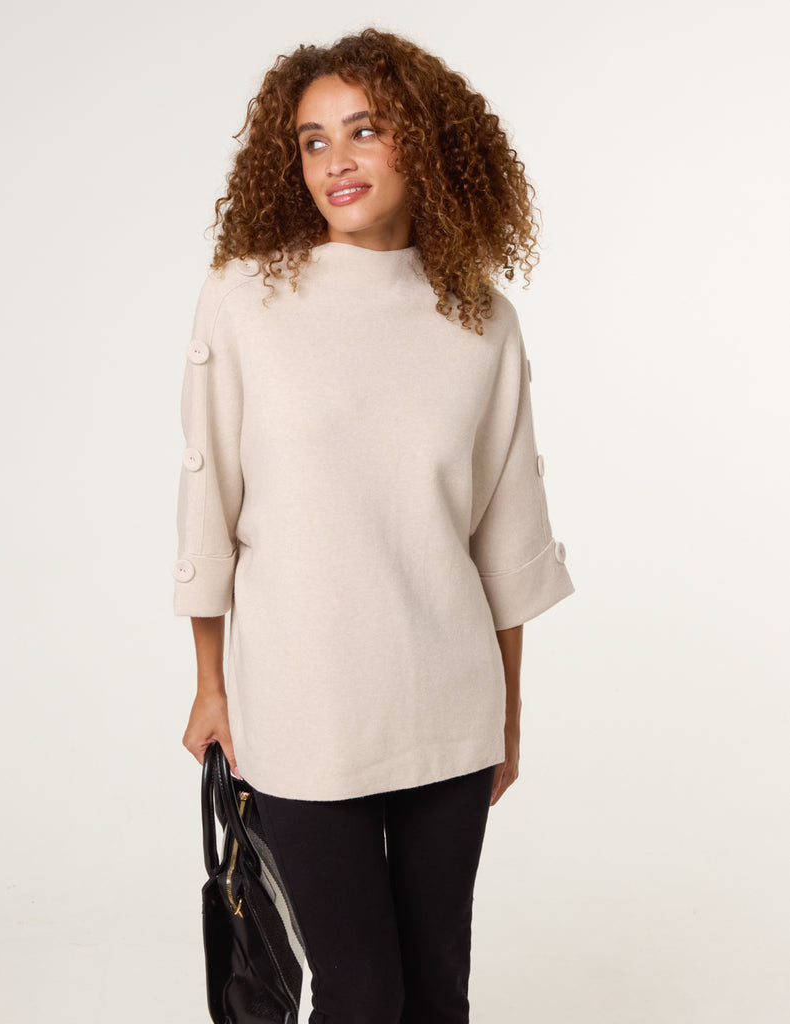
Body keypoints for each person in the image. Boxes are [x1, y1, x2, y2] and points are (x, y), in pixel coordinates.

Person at [173, 26, 575, 1024]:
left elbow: (504, 540)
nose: (335, 161)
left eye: (363, 130)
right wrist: (210, 683)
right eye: (312, 140)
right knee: (361, 992)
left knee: (437, 991)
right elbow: (208, 503)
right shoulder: (246, 299)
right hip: (300, 701)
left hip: (447, 705)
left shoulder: (481, 318)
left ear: (425, 143)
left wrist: (506, 717)